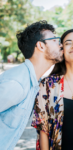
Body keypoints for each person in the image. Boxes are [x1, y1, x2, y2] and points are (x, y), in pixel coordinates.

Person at [0, 20, 63, 150]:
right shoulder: (17, 83)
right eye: (55, 40)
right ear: (40, 46)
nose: (61, 44)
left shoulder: (33, 82)